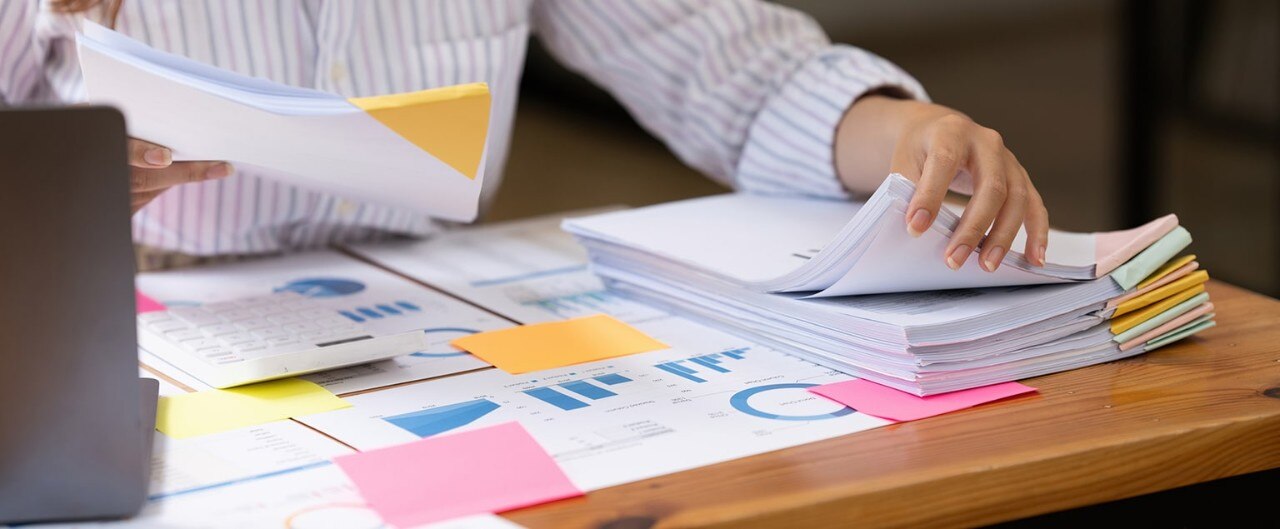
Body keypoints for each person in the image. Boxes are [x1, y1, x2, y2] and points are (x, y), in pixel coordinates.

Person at [1, 0, 1049, 272]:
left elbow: (724, 65)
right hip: (140, 316)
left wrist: (907, 130)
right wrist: (45, 191)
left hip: (428, 313)